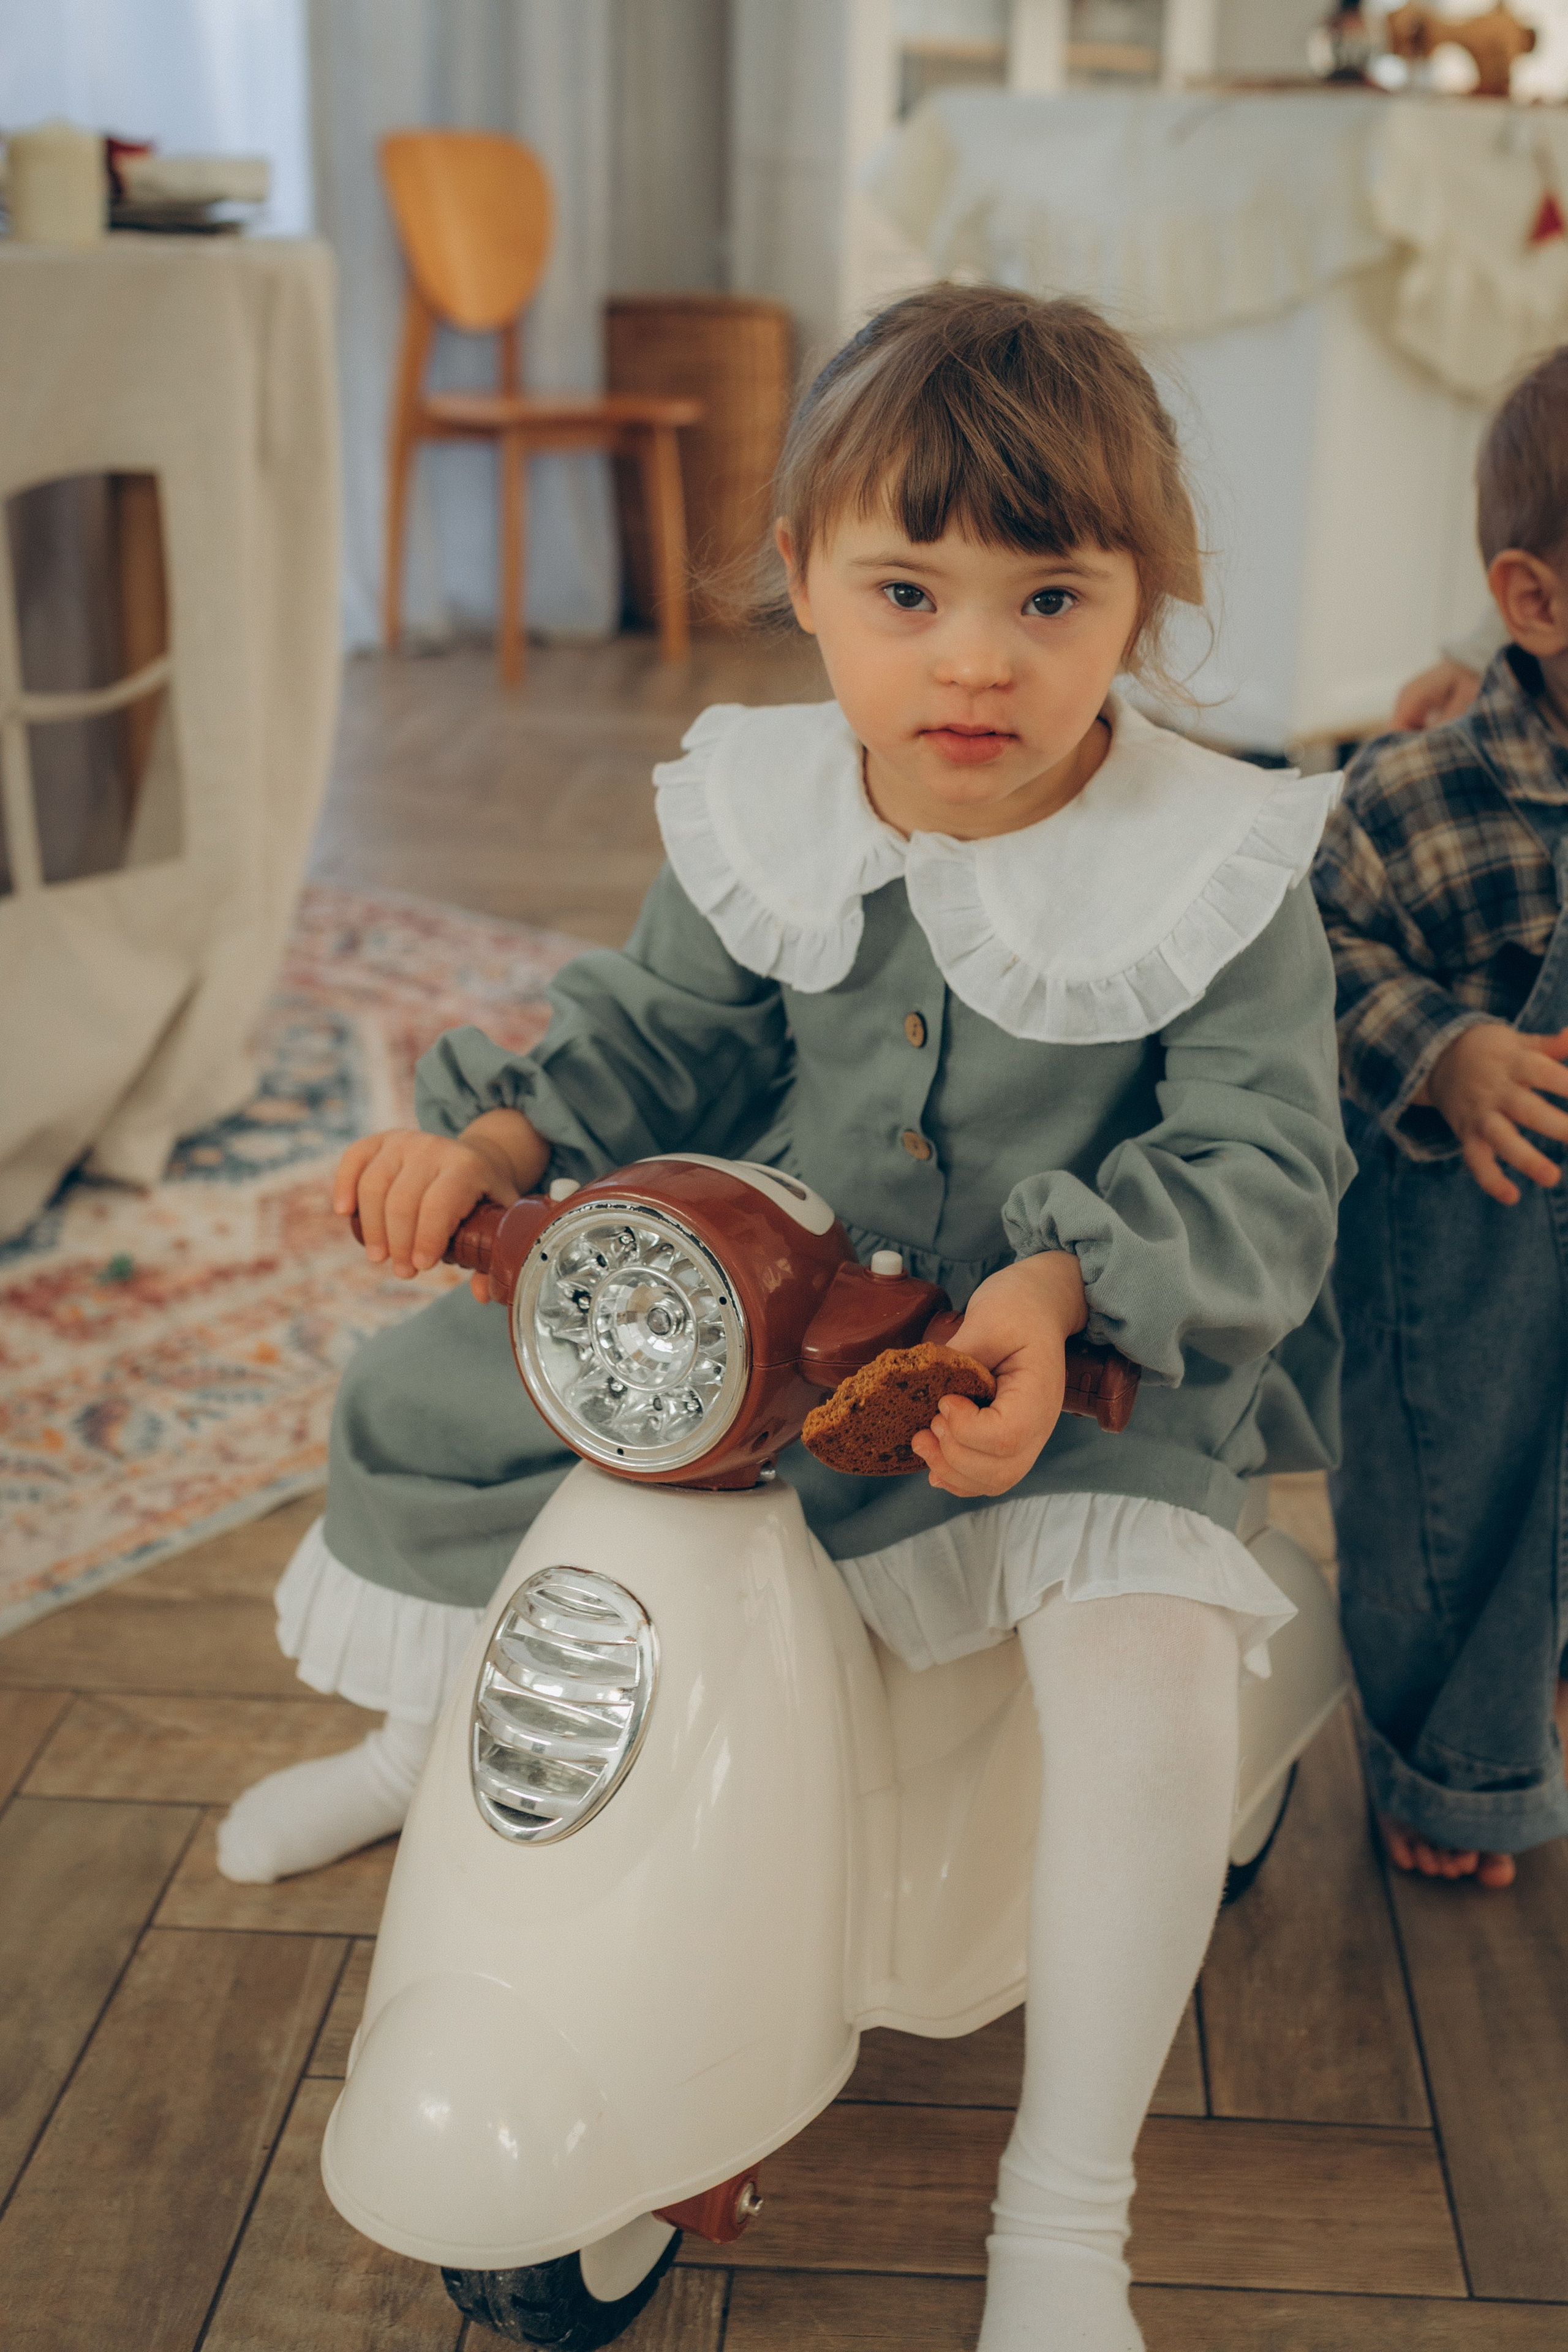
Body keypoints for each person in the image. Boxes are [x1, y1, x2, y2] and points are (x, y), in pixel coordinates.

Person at [222, 287, 1350, 2352]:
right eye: (909, 589)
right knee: (421, 1403)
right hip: (757, 1324)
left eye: (1050, 596)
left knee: (1148, 1662)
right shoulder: (776, 807)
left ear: (1144, 611)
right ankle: (429, 1739)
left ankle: (1065, 2201)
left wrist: (1077, 1282)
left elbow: (1272, 1154)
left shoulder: (1215, 867)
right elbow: (653, 1033)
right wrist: (494, 1142)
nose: (977, 657)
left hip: (1064, 1379)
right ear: (805, 589)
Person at [1314, 344, 1568, 1894]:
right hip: (1473, 1248)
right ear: (1531, 607)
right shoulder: (1413, 793)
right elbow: (1310, 958)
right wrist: (1446, 1051)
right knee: (1449, 1499)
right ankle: (1448, 1761)